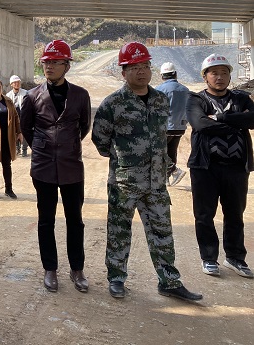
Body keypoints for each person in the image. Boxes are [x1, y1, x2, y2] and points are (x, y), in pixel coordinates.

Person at [91, 41, 203, 302]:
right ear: (123, 72)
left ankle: (169, 282)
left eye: (145, 66)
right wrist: (126, 160)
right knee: (119, 231)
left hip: (156, 182)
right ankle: (116, 278)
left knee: (162, 232)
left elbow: (161, 137)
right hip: (125, 182)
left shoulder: (160, 100)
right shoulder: (113, 104)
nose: (141, 71)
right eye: (134, 67)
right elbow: (100, 141)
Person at [20, 40, 91, 293]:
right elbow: (26, 127)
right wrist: (43, 148)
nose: (49, 66)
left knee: (75, 220)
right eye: (46, 62)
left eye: (55, 62)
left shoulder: (80, 95)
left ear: (66, 66)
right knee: (45, 220)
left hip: (72, 167)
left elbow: (84, 126)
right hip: (43, 168)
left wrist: (67, 146)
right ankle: (50, 268)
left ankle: (77, 269)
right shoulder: (32, 96)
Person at [186, 54, 254, 278]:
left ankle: (235, 257)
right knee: (204, 215)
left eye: (224, 72)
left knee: (235, 214)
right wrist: (237, 122)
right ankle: (209, 258)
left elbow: (252, 119)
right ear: (205, 77)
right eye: (214, 73)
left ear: (229, 76)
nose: (219, 77)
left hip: (236, 168)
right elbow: (200, 124)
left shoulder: (241, 98)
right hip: (205, 168)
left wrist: (220, 118)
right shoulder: (196, 99)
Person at [155, 62, 190, 186]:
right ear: (175, 74)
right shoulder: (185, 90)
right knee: (171, 151)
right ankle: (166, 179)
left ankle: (174, 170)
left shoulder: (159, 90)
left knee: (158, 152)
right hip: (180, 127)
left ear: (162, 76)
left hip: (165, 127)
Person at [7, 75, 29, 157]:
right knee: (15, 132)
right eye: (15, 82)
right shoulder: (8, 95)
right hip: (14, 117)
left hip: (23, 116)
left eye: (18, 82)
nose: (17, 84)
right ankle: (17, 148)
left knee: (24, 132)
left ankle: (24, 149)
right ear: (11, 84)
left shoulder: (25, 93)